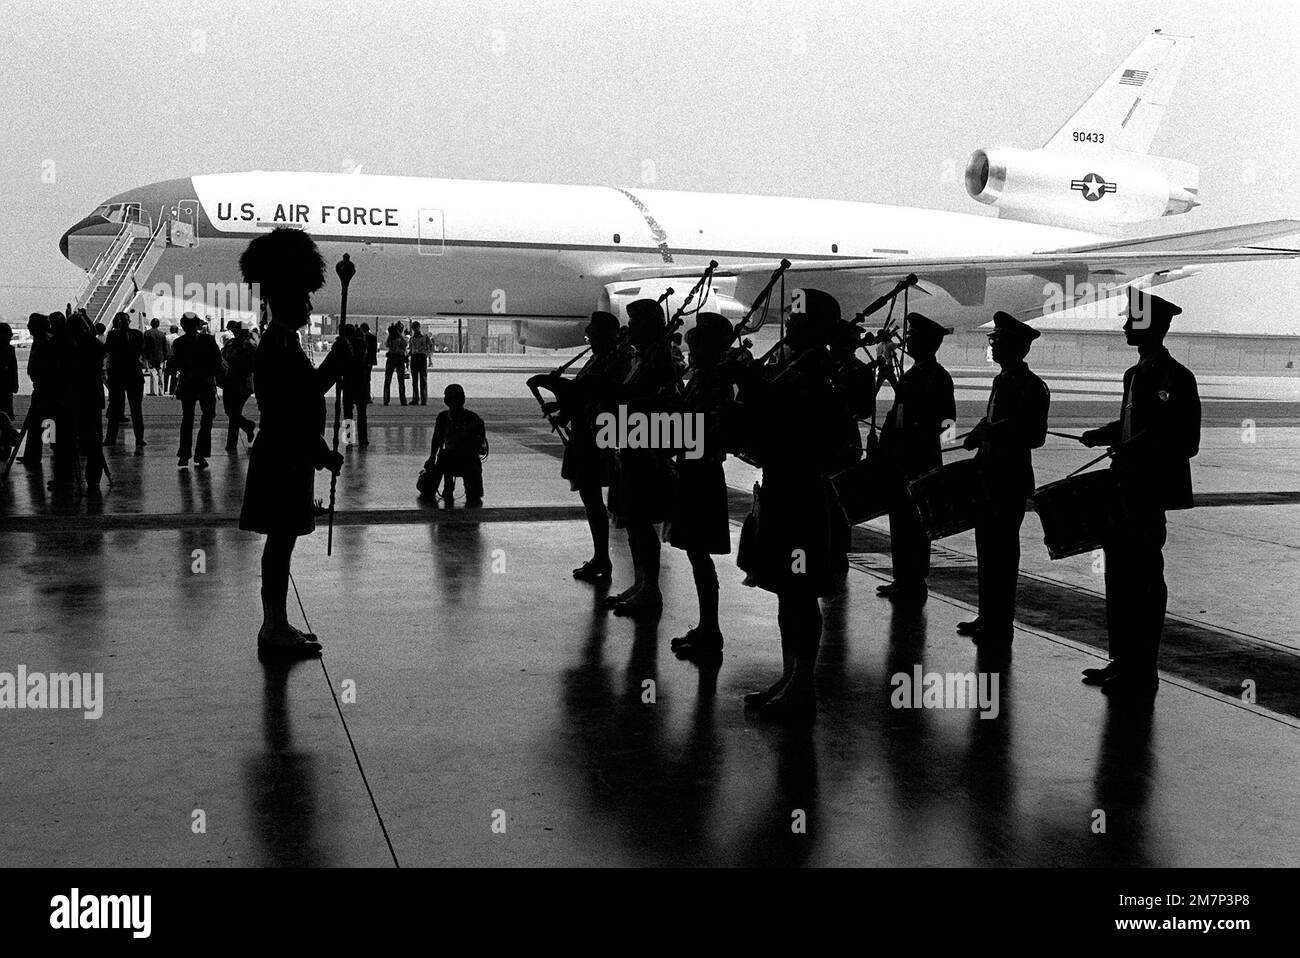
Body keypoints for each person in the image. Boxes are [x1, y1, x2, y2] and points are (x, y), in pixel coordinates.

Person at [729, 288, 845, 724]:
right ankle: (791, 675)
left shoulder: (815, 371)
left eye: (797, 319)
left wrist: (747, 378)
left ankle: (803, 683)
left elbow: (784, 414)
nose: (788, 325)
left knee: (799, 590)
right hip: (782, 490)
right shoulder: (795, 365)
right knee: (784, 589)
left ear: (815, 326)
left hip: (803, 499)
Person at [1080, 289, 1200, 700]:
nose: (1126, 326)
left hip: (1147, 494)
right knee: (1120, 578)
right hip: (1123, 490)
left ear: (1154, 326)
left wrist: (1138, 446)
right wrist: (1104, 435)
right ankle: (1123, 660)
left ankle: (1142, 669)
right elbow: (1129, 426)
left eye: (1133, 321)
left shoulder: (1177, 378)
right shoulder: (1135, 375)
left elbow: (1185, 440)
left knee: (1145, 581)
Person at [237, 227, 351, 656]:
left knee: (281, 545)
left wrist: (321, 455)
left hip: (287, 455)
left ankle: (278, 623)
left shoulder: (282, 342)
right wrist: (335, 366)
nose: (308, 305)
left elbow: (298, 405)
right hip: (283, 457)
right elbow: (295, 405)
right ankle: (273, 628)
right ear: (287, 301)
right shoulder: (277, 347)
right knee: (280, 545)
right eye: (304, 299)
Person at [958, 312, 1050, 649]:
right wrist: (980, 433)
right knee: (988, 551)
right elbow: (996, 421)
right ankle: (988, 616)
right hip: (990, 477)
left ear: (1015, 346)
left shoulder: (1030, 385)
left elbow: (1034, 435)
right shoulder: (1004, 380)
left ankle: (1000, 622)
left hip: (1008, 480)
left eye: (997, 340)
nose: (992, 344)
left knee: (1002, 554)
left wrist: (989, 431)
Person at [602, 298, 680, 618]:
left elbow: (646, 401)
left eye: (635, 324)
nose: (629, 328)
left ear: (649, 326)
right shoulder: (643, 357)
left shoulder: (657, 360)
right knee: (634, 522)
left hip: (646, 448)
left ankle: (650, 588)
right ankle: (641, 583)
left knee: (641, 520)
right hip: (634, 445)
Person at [665, 312, 735, 660]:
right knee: (696, 553)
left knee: (699, 552)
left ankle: (711, 629)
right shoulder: (703, 379)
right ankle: (708, 626)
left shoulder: (713, 383)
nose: (691, 355)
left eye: (697, 348)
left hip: (702, 473)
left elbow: (703, 431)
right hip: (695, 471)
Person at [541, 311, 630, 582]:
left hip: (599, 437)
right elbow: (579, 394)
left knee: (598, 501)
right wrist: (563, 409)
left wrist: (568, 406)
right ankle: (600, 556)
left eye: (593, 335)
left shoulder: (617, 362)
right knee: (591, 500)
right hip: (585, 435)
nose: (589, 340)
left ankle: (603, 558)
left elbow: (606, 396)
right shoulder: (598, 359)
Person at [876, 313, 955, 602]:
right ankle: (903, 579)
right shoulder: (915, 373)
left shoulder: (936, 376)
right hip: (906, 460)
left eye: (911, 338)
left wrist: (933, 448)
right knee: (901, 522)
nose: (906, 341)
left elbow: (948, 423)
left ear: (926, 343)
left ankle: (915, 581)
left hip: (919, 462)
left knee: (916, 525)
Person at [172, 311, 224, 468]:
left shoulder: (179, 343)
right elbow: (217, 361)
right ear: (197, 325)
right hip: (206, 384)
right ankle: (200, 454)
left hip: (187, 384)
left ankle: (184, 454)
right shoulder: (208, 340)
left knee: (187, 419)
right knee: (207, 418)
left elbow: (178, 364)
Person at [421, 383, 487, 505]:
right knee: (474, 495)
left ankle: (447, 487)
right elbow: (482, 449)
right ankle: (449, 486)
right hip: (467, 460)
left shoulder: (443, 417)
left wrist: (432, 457)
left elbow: (437, 440)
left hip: (456, 459)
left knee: (443, 459)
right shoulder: (474, 418)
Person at [103, 312, 147, 450]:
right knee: (136, 409)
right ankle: (139, 437)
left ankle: (111, 437)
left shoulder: (112, 335)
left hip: (117, 374)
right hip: (134, 373)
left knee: (115, 407)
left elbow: (108, 350)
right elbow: (141, 350)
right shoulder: (138, 334)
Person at [17, 313, 52, 466]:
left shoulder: (45, 342)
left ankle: (45, 451)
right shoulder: (41, 340)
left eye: (31, 324)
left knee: (45, 422)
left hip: (45, 389)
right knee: (37, 424)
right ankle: (33, 454)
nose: (28, 327)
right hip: (40, 388)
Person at [220, 322, 258, 452]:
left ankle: (231, 444)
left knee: (233, 412)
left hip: (242, 382)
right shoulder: (233, 344)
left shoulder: (249, 346)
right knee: (231, 412)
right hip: (231, 381)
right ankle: (247, 426)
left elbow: (253, 364)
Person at [340, 324, 370, 447]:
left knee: (348, 412)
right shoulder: (362, 344)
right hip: (361, 381)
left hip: (348, 381)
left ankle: (348, 439)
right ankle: (363, 439)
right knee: (362, 413)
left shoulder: (343, 346)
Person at [143, 318, 170, 396]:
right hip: (160, 356)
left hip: (151, 356)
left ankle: (153, 390)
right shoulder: (162, 334)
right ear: (158, 325)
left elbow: (144, 346)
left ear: (151, 324)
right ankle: (160, 390)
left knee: (153, 372)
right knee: (160, 372)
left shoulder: (147, 333)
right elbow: (165, 347)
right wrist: (165, 357)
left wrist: (144, 356)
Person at [383, 322, 408, 405]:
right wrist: (391, 335)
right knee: (387, 380)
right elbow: (387, 345)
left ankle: (403, 400)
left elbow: (405, 345)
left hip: (399, 358)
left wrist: (398, 335)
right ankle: (386, 399)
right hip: (392, 358)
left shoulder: (402, 337)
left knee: (401, 380)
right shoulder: (391, 337)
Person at [409, 321, 433, 405]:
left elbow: (430, 347)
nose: (415, 329)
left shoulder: (425, 337)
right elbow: (411, 349)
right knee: (414, 380)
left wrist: (430, 359)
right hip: (414, 358)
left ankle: (424, 399)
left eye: (416, 327)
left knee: (423, 380)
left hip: (422, 358)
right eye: (414, 328)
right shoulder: (412, 338)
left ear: (419, 327)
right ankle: (415, 399)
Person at [0, 323, 16, 421]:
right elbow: (13, 368)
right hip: (6, 386)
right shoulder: (9, 350)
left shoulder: (9, 349)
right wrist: (15, 384)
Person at [361, 322, 378, 404]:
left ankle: (363, 396)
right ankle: (367, 396)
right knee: (367, 379)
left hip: (364, 361)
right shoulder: (373, 337)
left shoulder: (362, 337)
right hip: (368, 361)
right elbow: (373, 351)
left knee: (362, 379)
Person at [164, 324, 182, 396]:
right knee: (174, 374)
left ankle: (165, 388)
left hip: (168, 357)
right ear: (177, 331)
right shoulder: (179, 338)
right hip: (176, 358)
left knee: (166, 374)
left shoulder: (166, 337)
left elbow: (164, 348)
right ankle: (172, 390)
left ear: (170, 330)